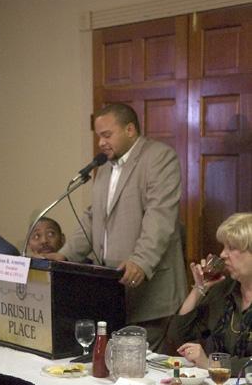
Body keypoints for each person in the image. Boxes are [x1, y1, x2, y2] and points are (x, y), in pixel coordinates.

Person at [50, 103, 188, 351]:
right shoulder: (103, 168)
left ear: (130, 129)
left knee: (142, 376)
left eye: (106, 135)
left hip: (149, 291)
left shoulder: (159, 158)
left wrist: (141, 260)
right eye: (98, 136)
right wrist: (65, 255)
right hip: (112, 290)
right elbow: (93, 218)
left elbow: (160, 216)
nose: (101, 142)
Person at [166, 212, 252, 376]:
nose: (222, 254)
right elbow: (177, 336)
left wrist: (212, 364)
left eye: (231, 248)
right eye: (224, 247)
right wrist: (200, 289)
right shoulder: (224, 290)